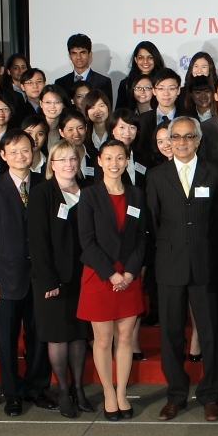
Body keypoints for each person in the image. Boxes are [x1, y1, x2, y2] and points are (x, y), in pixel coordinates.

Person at [146, 117, 218, 422]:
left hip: (205, 262)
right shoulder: (156, 175)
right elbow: (153, 221)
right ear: (169, 141)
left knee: (210, 334)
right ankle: (175, 396)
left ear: (198, 140)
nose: (182, 142)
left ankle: (210, 395)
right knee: (170, 334)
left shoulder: (214, 172)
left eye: (188, 136)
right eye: (176, 137)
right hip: (169, 263)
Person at [0, 129, 54, 416]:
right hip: (7, 276)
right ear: (3, 155)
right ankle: (12, 393)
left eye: (25, 149)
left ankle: (37, 388)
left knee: (38, 335)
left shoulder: (44, 184)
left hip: (40, 276)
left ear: (33, 152)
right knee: (8, 339)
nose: (21, 155)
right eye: (13, 151)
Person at [76, 139, 147, 421]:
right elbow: (86, 241)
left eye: (120, 157)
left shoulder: (137, 194)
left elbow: (141, 238)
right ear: (100, 161)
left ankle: (122, 393)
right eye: (108, 158)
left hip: (128, 276)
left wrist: (129, 272)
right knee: (103, 339)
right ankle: (108, 392)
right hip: (100, 275)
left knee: (126, 338)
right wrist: (111, 273)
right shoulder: (89, 195)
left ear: (127, 160)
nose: (114, 163)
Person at [28, 140, 94, 419]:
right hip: (53, 279)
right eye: (62, 159)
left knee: (79, 334)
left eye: (72, 158)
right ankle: (63, 391)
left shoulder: (89, 190)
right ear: (51, 164)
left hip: (84, 276)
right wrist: (48, 281)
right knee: (57, 335)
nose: (68, 164)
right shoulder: (42, 193)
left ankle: (78, 389)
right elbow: (37, 241)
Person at [136, 70, 183, 160]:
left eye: (171, 88)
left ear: (178, 90)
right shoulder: (141, 120)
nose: (166, 93)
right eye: (161, 88)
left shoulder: (188, 120)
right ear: (154, 91)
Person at [55, 33, 113, 99]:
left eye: (82, 52)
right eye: (74, 53)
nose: (78, 57)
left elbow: (106, 105)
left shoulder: (103, 82)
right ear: (70, 56)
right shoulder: (60, 83)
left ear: (90, 54)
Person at [118, 41, 167, 110]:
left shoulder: (164, 83)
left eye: (150, 57)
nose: (145, 61)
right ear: (136, 59)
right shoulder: (126, 84)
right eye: (141, 58)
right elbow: (120, 112)